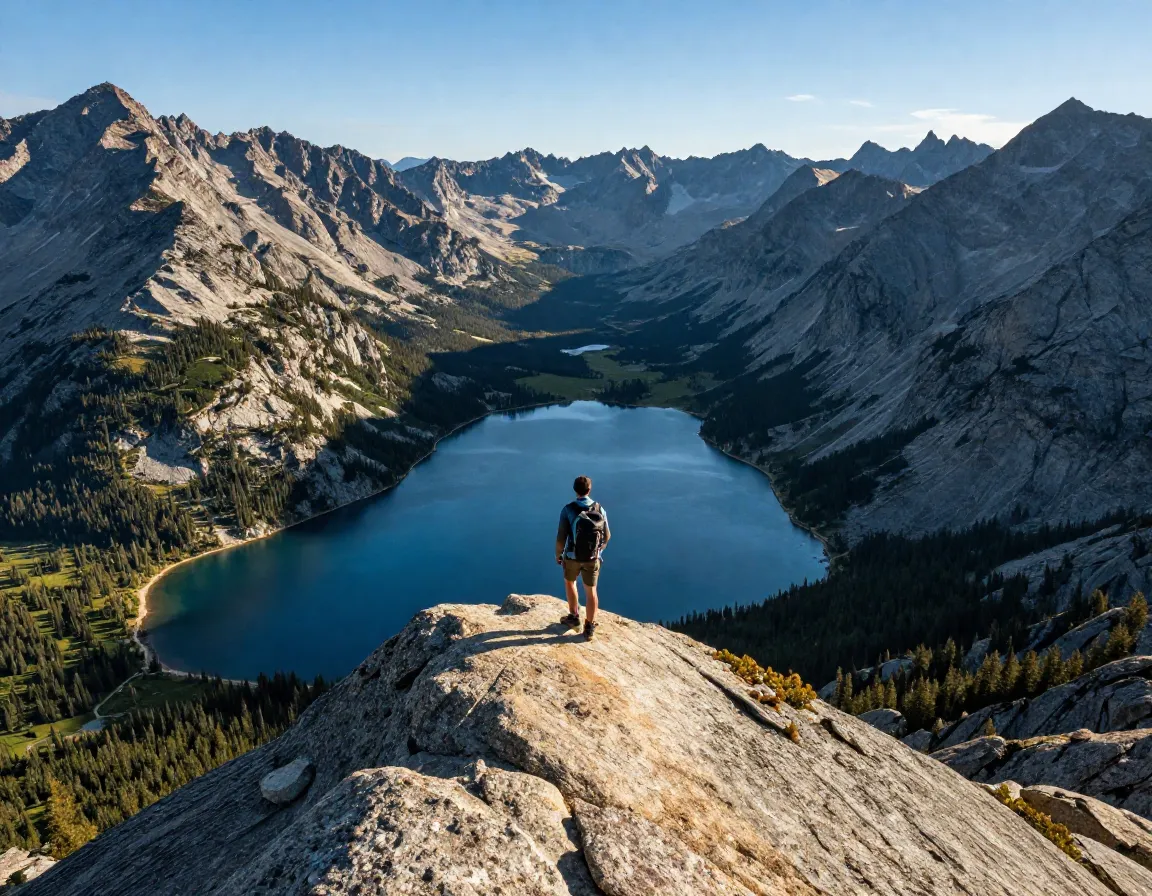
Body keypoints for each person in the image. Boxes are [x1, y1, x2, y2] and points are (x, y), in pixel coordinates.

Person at [555, 475, 610, 640]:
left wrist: (559, 555)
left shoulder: (568, 509)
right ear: (589, 489)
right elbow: (607, 536)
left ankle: (574, 617)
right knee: (591, 590)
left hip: (571, 557)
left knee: (570, 582)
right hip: (592, 559)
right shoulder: (599, 509)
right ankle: (590, 626)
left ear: (575, 490)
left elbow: (561, 537)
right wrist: (597, 551)